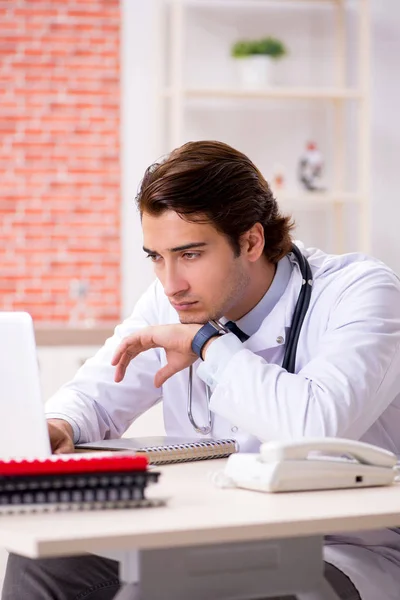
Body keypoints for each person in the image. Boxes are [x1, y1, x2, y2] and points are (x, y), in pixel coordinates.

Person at [3, 140, 400, 600]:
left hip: (337, 550)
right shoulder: (174, 299)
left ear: (252, 241)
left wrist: (207, 343)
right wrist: (61, 423)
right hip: (208, 528)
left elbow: (314, 423)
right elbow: (97, 391)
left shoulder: (360, 292)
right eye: (156, 256)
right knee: (43, 566)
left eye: (189, 254)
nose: (170, 283)